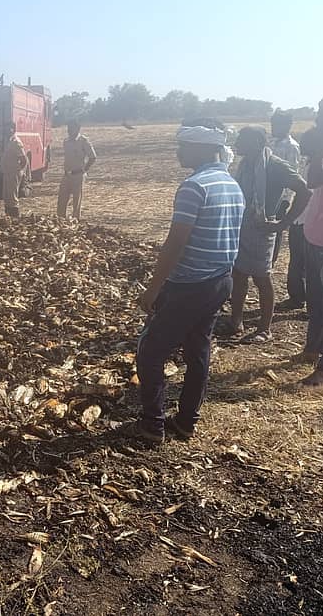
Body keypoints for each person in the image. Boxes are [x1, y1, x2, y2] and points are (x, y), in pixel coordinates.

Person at [132, 124, 245, 444]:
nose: (178, 151)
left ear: (201, 149)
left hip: (189, 286)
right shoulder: (232, 184)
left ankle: (152, 424)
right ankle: (186, 421)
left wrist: (153, 289)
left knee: (151, 352)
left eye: (184, 146)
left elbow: (175, 243)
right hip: (219, 281)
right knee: (198, 350)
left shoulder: (194, 186)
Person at [217, 127, 309, 343]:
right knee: (238, 274)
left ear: (257, 143)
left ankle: (264, 329)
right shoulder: (245, 165)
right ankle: (236, 321)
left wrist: (283, 223)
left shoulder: (275, 166)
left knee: (262, 278)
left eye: (242, 139)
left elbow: (304, 191)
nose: (237, 143)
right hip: (241, 226)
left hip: (261, 229)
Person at [300, 89, 323, 387]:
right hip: (317, 234)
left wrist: (320, 148)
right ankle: (313, 348)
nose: (318, 117)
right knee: (318, 300)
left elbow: (313, 179)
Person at [269, 111, 306, 309]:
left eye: (277, 124)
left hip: (280, 199)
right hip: (267, 197)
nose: (274, 128)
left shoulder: (292, 147)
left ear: (287, 126)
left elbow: (293, 177)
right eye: (273, 124)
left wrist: (285, 202)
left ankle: (269, 265)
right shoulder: (270, 142)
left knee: (275, 233)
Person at [58, 119, 96, 219]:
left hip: (78, 175)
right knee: (61, 199)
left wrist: (84, 170)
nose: (69, 130)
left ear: (78, 128)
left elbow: (93, 157)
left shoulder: (83, 141)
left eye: (71, 127)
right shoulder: (66, 141)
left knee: (76, 201)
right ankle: (60, 220)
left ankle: (75, 221)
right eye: (68, 127)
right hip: (67, 175)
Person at [2, 122, 29, 218]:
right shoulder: (8, 141)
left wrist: (18, 172)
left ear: (13, 129)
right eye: (5, 128)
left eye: (8, 129)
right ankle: (8, 218)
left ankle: (15, 218)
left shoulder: (16, 142)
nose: (6, 131)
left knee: (12, 197)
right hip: (7, 172)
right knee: (7, 197)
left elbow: (24, 160)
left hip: (13, 173)